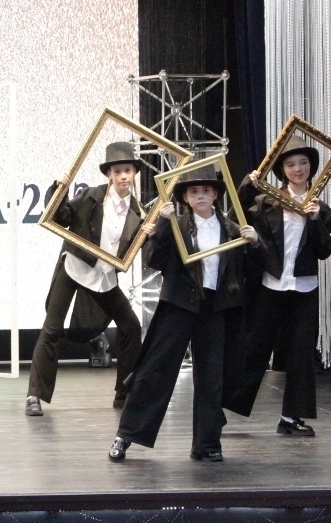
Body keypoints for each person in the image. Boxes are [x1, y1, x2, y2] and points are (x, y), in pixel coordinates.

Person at [107, 165, 260, 462]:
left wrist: (254, 243)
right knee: (154, 370)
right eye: (194, 191)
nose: (200, 195)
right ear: (185, 198)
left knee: (211, 377)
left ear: (215, 195)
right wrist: (163, 225)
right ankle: (126, 435)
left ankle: (207, 444)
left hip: (215, 309)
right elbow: (155, 261)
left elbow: (250, 271)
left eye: (206, 190)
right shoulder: (175, 225)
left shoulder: (231, 229)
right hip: (179, 305)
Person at [24, 142, 146, 416]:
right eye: (118, 171)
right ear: (109, 174)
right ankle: (34, 396)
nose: (123, 176)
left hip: (103, 275)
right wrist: (59, 190)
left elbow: (132, 248)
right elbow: (61, 217)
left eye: (127, 170)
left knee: (130, 325)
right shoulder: (91, 196)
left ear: (134, 173)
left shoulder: (137, 212)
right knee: (52, 328)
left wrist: (152, 230)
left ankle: (124, 393)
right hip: (75, 266)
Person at [226, 136, 331, 436]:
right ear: (282, 171)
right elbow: (234, 218)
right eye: (291, 164)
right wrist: (246, 186)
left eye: (303, 163)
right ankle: (221, 408)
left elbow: (324, 251)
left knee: (301, 352)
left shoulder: (322, 209)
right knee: (254, 349)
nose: (298, 169)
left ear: (312, 167)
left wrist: (314, 220)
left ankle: (291, 418)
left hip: (305, 289)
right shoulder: (266, 202)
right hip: (270, 284)